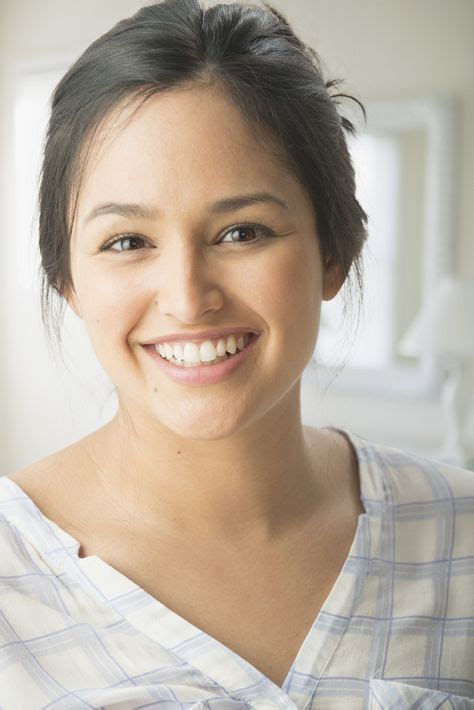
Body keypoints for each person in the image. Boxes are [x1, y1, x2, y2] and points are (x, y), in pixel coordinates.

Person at [1, 0, 473, 707]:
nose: (189, 300)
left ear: (334, 250)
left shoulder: (461, 536)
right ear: (67, 279)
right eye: (128, 242)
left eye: (243, 232)